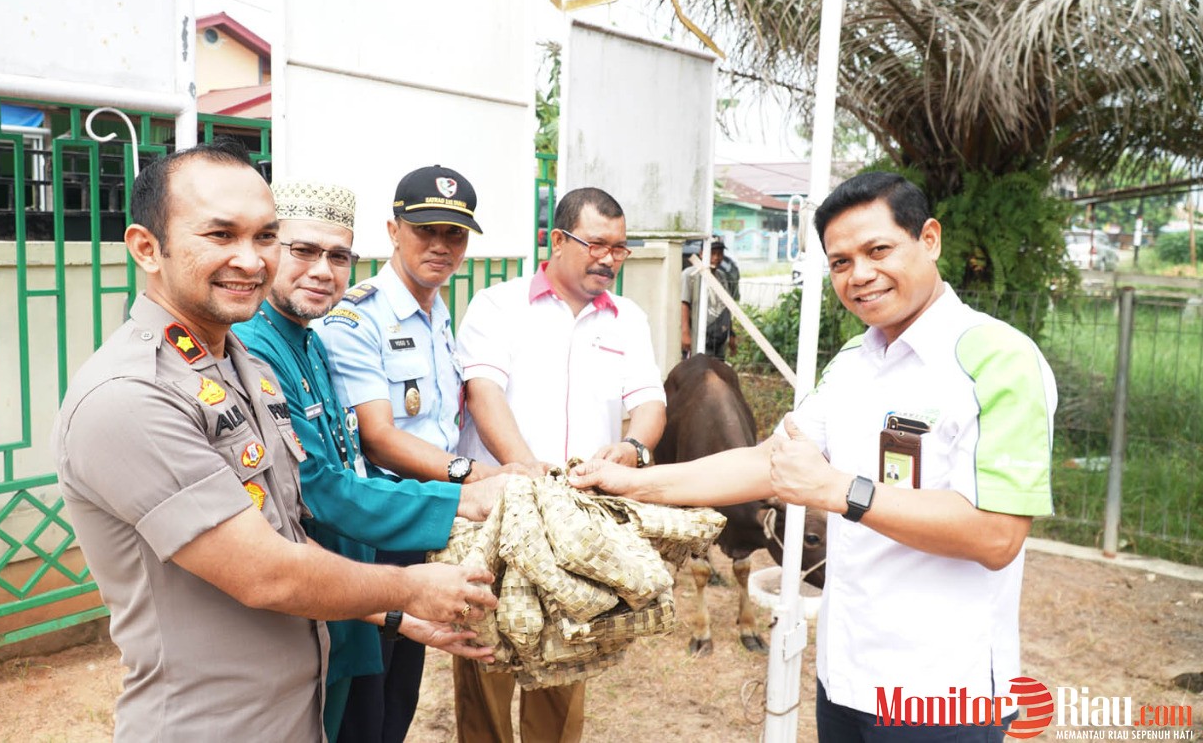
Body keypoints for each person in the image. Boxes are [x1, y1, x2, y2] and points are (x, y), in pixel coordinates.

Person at [570, 170, 1056, 742]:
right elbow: (768, 459)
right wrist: (631, 482)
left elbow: (997, 536)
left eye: (878, 250)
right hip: (845, 678)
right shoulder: (855, 360)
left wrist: (839, 491)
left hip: (940, 690)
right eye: (841, 261)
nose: (860, 276)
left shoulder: (1000, 361)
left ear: (929, 240)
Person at [53, 142, 496, 742]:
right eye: (220, 235)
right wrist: (412, 586)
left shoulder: (240, 365)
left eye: (264, 237)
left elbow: (291, 524)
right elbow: (268, 573)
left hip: (295, 707)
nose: (250, 259)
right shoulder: (130, 396)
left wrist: (392, 613)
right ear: (146, 248)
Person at [233, 179, 510, 742]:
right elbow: (318, 485)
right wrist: (463, 494)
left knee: (379, 721)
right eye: (302, 251)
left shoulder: (306, 338)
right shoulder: (255, 348)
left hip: (352, 579)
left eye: (338, 256)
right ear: (267, 250)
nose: (322, 270)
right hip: (307, 592)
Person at [452, 186, 668, 743]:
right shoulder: (498, 306)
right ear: (557, 240)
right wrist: (528, 472)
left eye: (620, 248)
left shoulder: (628, 318)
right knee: (486, 661)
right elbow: (483, 392)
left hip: (580, 527)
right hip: (499, 518)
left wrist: (634, 449)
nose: (609, 259)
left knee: (569, 659)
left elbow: (649, 403)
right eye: (597, 243)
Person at [316, 164, 511, 743]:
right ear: (392, 230)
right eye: (425, 229)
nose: (440, 245)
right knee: (364, 700)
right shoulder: (357, 315)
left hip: (426, 526)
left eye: (454, 234)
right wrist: (474, 479)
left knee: (401, 692)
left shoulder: (438, 312)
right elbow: (379, 435)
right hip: (377, 526)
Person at [680, 237, 740, 360]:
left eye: (719, 254)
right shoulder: (690, 275)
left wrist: (731, 334)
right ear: (701, 254)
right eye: (712, 253)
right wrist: (685, 333)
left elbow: (725, 308)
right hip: (699, 337)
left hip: (718, 338)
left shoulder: (722, 277)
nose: (716, 258)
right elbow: (684, 304)